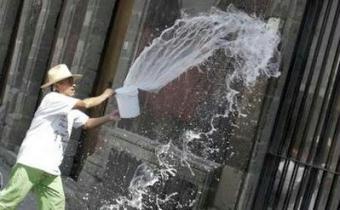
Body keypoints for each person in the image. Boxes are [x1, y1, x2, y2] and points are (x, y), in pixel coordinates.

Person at [0, 64, 120, 210]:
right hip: (32, 161)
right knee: (7, 203)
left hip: (50, 168)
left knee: (56, 206)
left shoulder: (69, 108)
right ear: (58, 85)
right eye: (70, 81)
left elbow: (87, 123)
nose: (74, 85)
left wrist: (109, 117)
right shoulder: (52, 98)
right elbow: (85, 103)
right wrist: (105, 95)